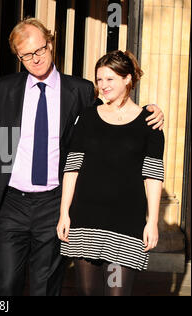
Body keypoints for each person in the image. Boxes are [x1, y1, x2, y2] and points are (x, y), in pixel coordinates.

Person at [0, 17, 165, 296]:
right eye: (26, 55)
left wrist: (151, 110)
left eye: (39, 49)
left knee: (44, 287)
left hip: (53, 200)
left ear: (50, 44)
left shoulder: (78, 90)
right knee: (6, 285)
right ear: (18, 57)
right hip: (11, 202)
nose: (35, 58)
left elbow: (112, 115)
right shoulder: (7, 87)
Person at [57, 50, 164, 296]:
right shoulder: (87, 117)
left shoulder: (150, 123)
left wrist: (152, 222)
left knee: (116, 293)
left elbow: (153, 176)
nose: (103, 86)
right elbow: (72, 168)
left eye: (110, 79)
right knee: (87, 293)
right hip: (85, 221)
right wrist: (64, 214)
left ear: (128, 79)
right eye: (99, 80)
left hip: (126, 225)